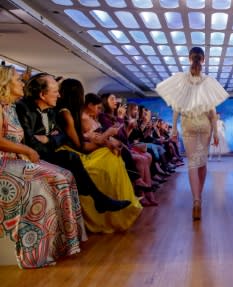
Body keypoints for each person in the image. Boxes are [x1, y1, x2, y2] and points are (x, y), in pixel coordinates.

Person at [0, 66, 86, 268]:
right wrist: (27, 150)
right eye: (18, 80)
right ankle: (34, 252)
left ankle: (63, 243)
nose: (22, 83)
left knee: (66, 175)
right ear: (5, 83)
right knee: (52, 180)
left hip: (17, 159)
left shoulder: (11, 108)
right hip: (5, 162)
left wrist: (26, 150)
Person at [16, 73, 131, 214]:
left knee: (104, 155)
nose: (59, 95)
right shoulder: (23, 108)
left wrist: (48, 139)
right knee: (74, 157)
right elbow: (33, 145)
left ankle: (98, 198)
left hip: (51, 151)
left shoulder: (51, 111)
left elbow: (62, 136)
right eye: (55, 92)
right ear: (42, 95)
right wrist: (53, 139)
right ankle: (98, 198)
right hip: (34, 156)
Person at [56, 80, 143, 233]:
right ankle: (111, 210)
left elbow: (85, 139)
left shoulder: (72, 113)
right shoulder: (66, 114)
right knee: (110, 158)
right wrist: (106, 137)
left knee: (112, 155)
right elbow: (80, 147)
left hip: (78, 150)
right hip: (72, 153)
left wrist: (103, 140)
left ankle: (119, 205)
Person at [155, 46, 229, 220]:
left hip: (187, 123)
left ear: (190, 59)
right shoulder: (208, 81)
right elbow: (212, 111)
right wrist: (216, 132)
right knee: (202, 162)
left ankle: (196, 199)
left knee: (192, 164)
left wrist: (173, 127)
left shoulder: (181, 80)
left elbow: (176, 107)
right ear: (203, 60)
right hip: (204, 125)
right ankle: (199, 196)